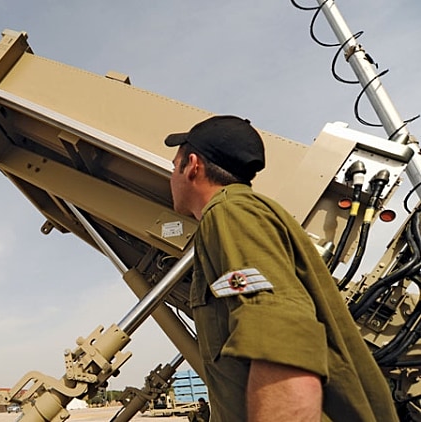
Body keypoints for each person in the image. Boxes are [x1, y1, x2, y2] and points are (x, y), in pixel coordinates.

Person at [164, 115, 398, 422]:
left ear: (193, 166)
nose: (171, 177)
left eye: (174, 166)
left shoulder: (230, 213)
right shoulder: (244, 212)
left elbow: (283, 342)